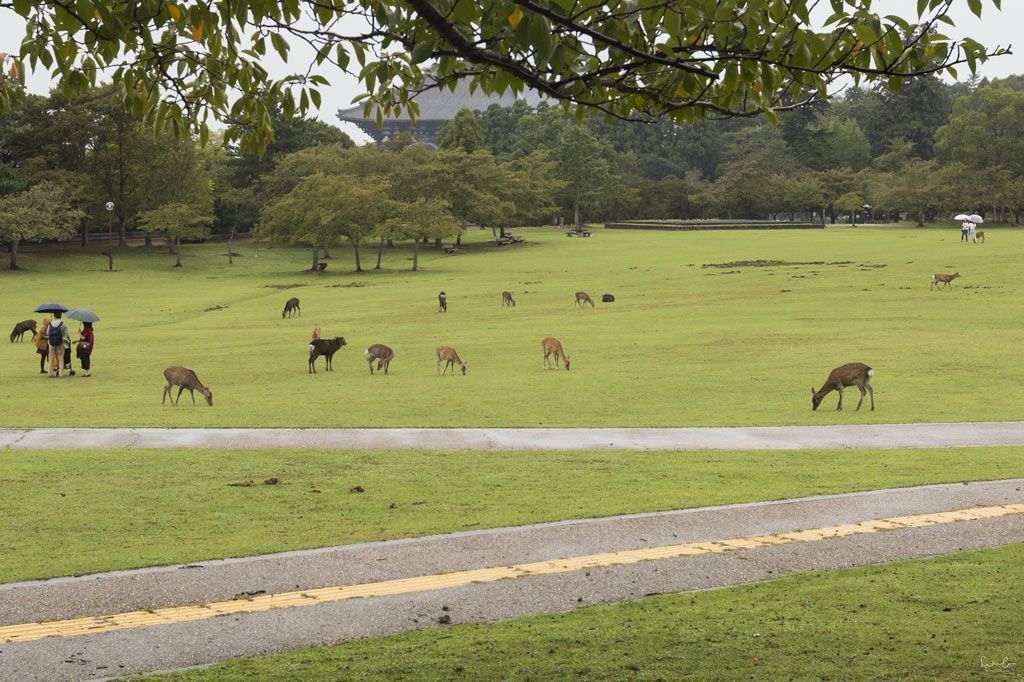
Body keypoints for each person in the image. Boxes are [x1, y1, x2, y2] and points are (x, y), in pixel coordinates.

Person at [46, 311, 71, 377]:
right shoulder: (63, 324)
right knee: (61, 358)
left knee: (51, 358)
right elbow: (67, 334)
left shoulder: (50, 323)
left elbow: (47, 333)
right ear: (61, 316)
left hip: (51, 343)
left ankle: (50, 373)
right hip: (60, 342)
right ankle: (60, 373)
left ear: (54, 316)